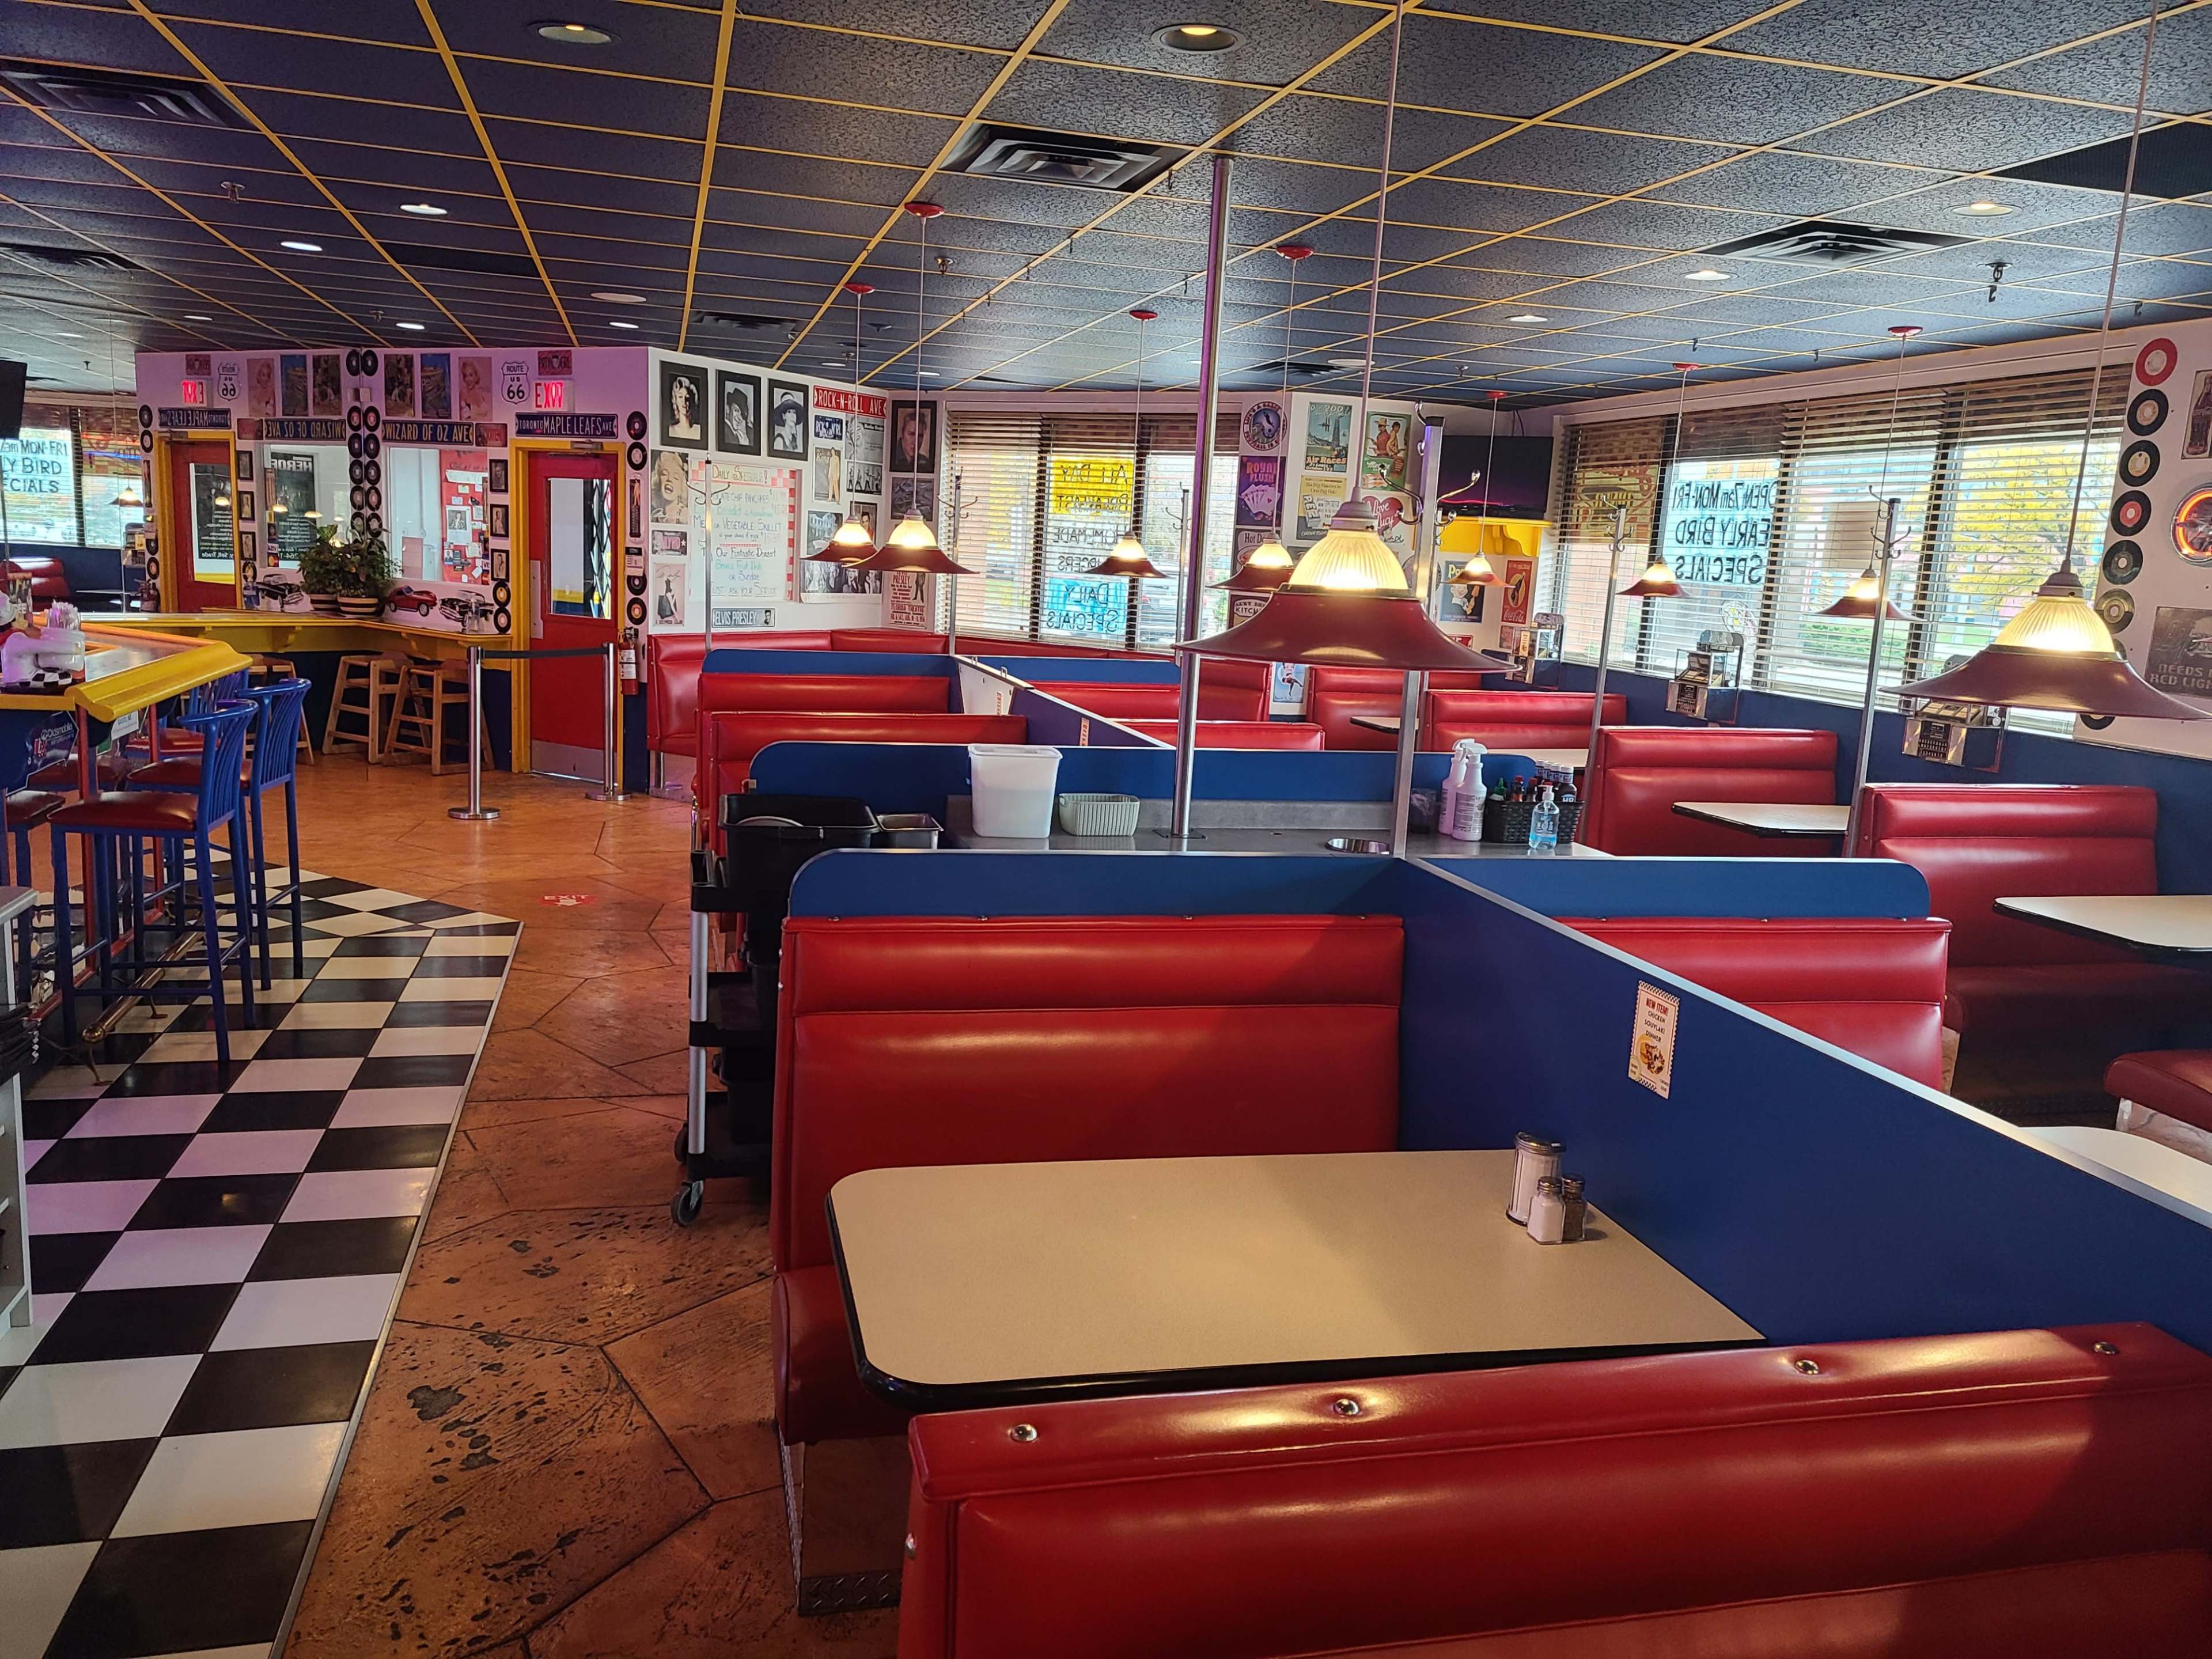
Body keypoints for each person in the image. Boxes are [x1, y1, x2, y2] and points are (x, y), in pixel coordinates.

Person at [668, 374, 702, 442]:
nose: (684, 401)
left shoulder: (699, 430)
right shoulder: (671, 430)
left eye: (687, 397)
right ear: (676, 401)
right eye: (680, 397)